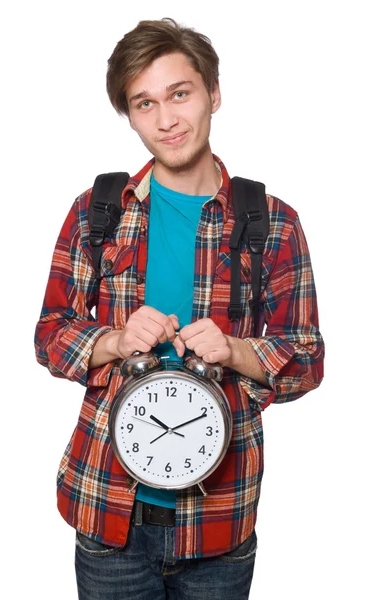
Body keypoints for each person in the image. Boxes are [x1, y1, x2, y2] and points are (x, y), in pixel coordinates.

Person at [34, 17, 324, 600]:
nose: (165, 120)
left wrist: (238, 350)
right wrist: (113, 341)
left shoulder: (271, 222)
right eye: (144, 103)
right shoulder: (99, 211)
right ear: (130, 114)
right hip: (108, 510)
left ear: (213, 94)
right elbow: (49, 334)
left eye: (179, 94)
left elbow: (308, 359)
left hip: (218, 523)